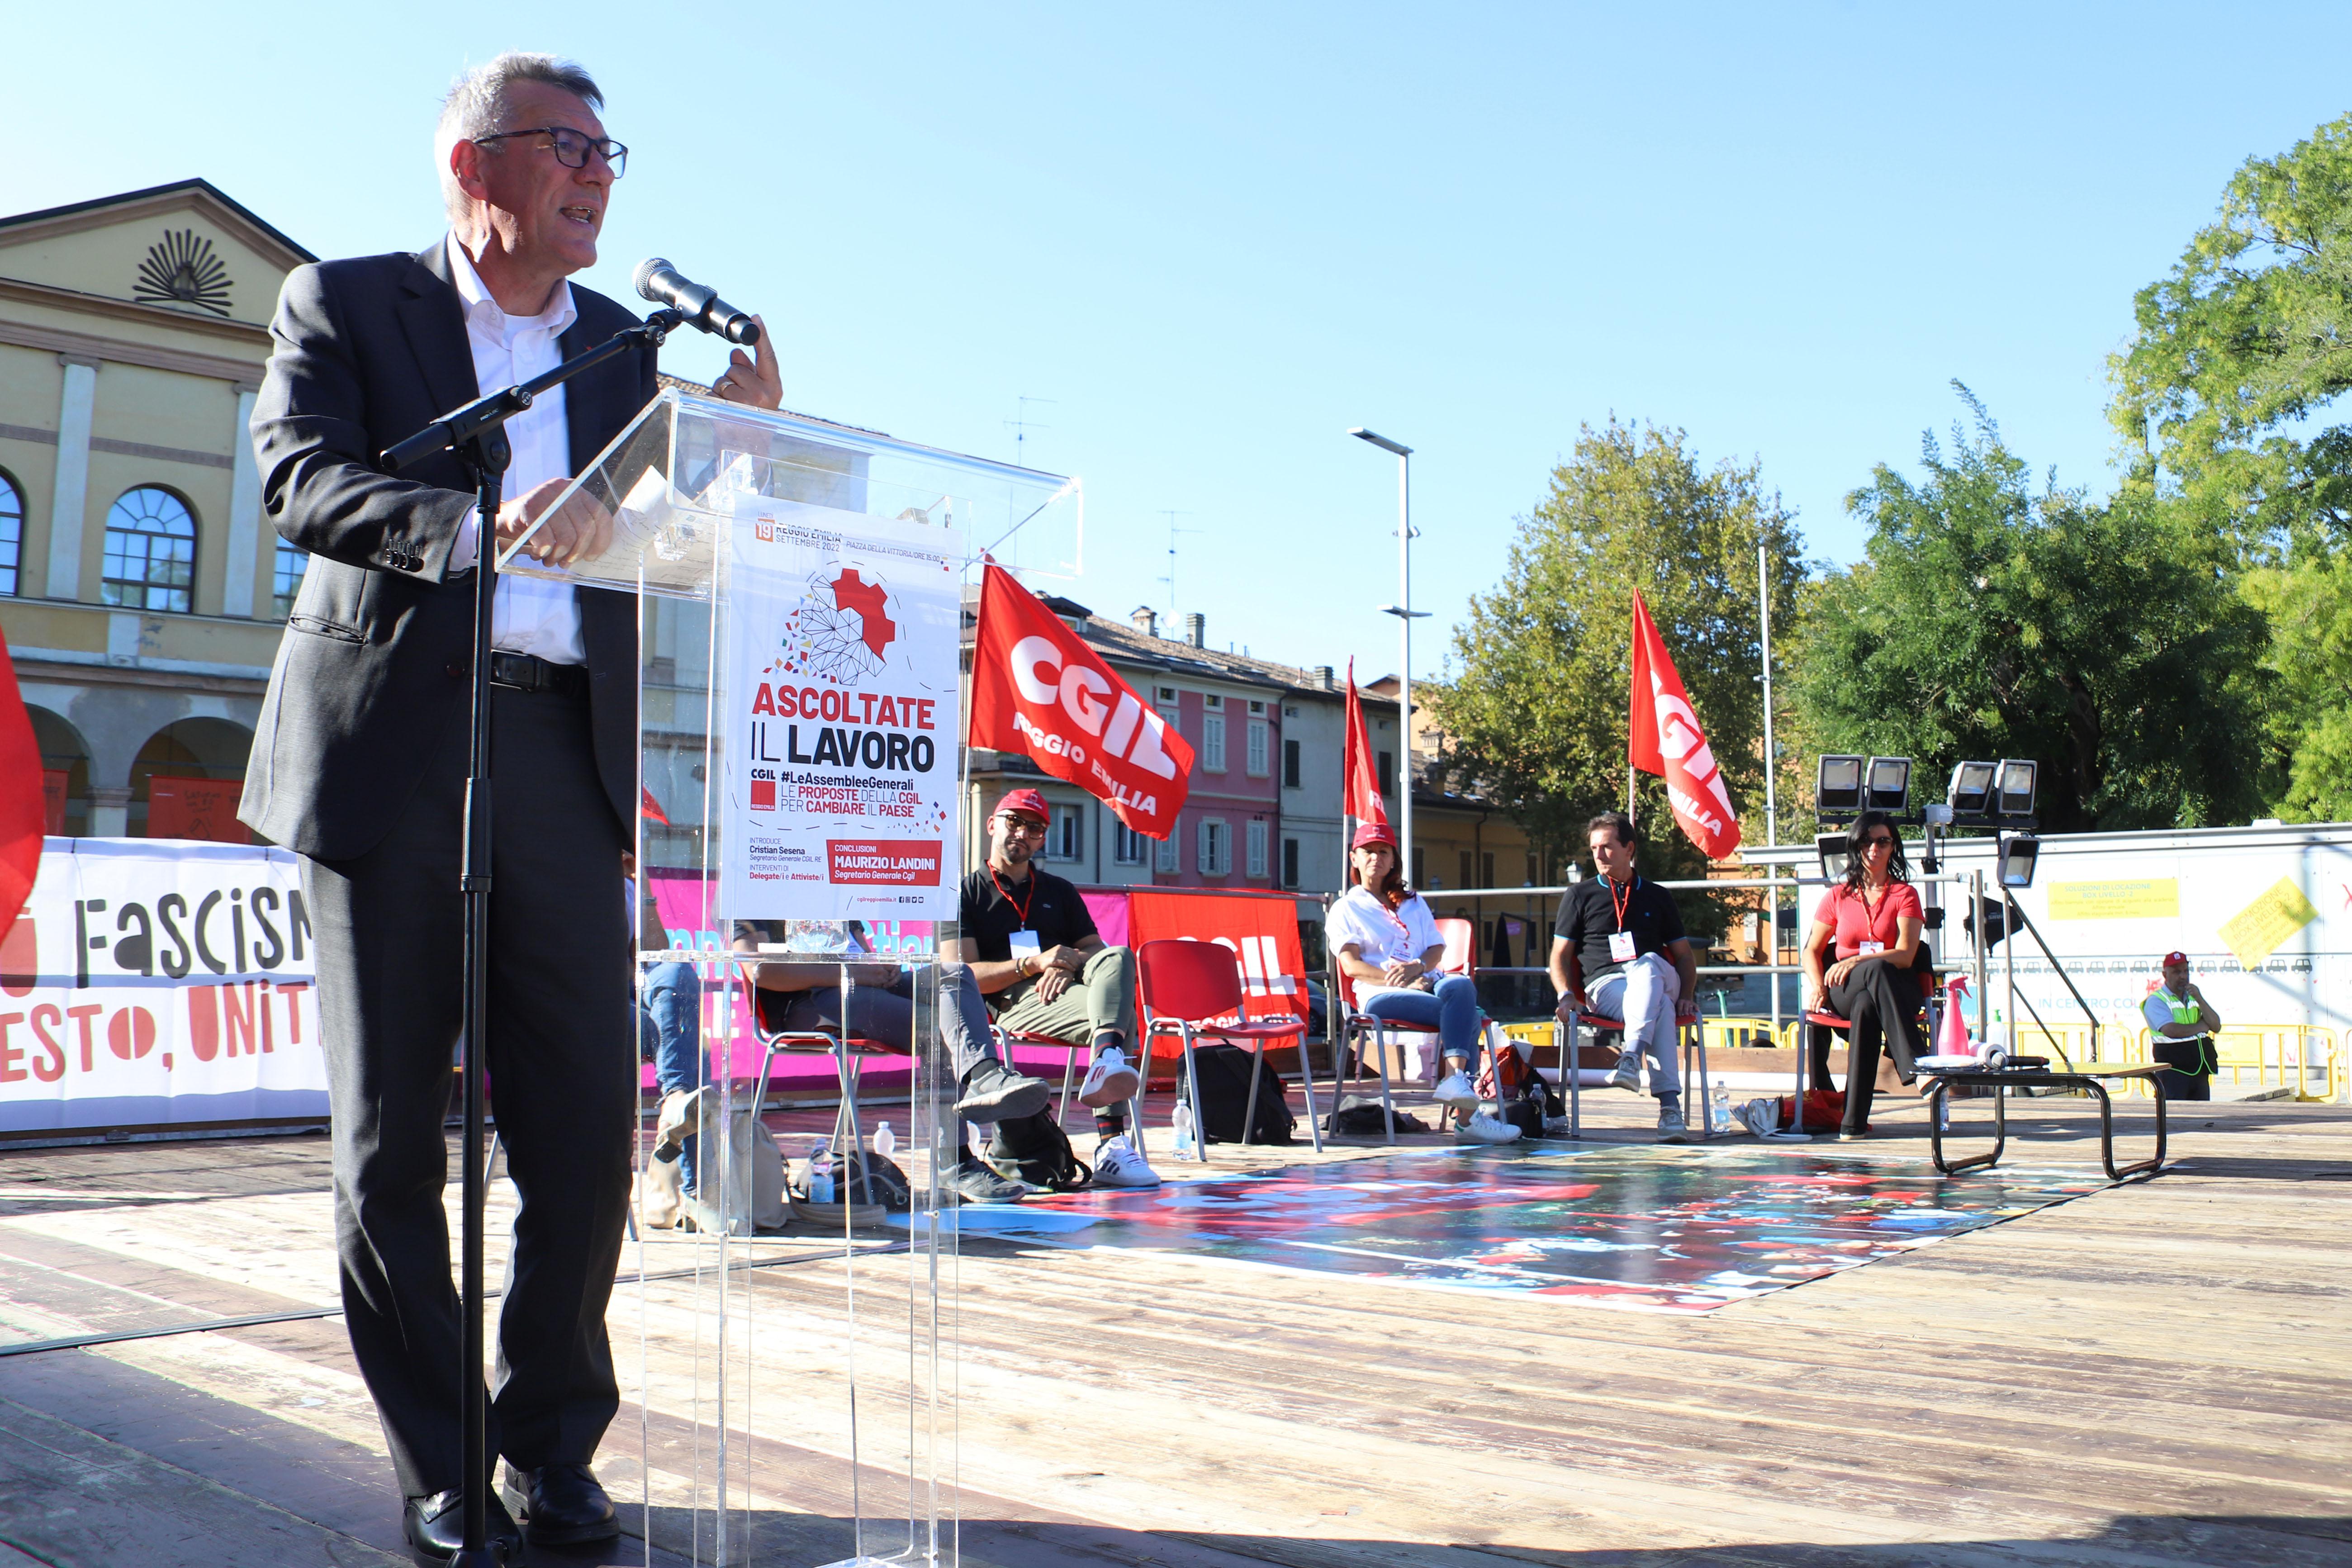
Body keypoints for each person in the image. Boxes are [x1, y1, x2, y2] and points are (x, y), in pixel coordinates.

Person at [236, 54, 783, 1560]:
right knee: (390, 1146)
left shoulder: (617, 348)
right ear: (476, 166)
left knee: (586, 1123)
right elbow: (298, 477)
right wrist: (473, 521)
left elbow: (671, 534)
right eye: (572, 146)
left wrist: (738, 442)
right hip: (389, 740)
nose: (601, 173)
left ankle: (549, 1441)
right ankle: (441, 1452)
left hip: (556, 750)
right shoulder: (344, 300)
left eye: (613, 152)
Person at [726, 918, 1053, 1202]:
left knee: (954, 974)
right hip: (814, 1001)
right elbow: (761, 970)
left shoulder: (826, 881)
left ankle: (985, 1076)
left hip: (862, 984)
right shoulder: (758, 882)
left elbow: (860, 950)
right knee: (937, 1027)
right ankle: (955, 1162)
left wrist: (882, 966)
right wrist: (852, 972)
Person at [943, 789, 1162, 1188]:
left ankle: (1105, 1059)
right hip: (1008, 1002)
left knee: (1118, 959)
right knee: (1119, 1014)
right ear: (992, 825)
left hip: (1062, 991)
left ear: (1042, 839)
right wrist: (1034, 962)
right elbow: (961, 976)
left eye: (1035, 828)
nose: (1022, 833)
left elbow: (1093, 950)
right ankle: (1112, 1142)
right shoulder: (963, 893)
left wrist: (1067, 962)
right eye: (1014, 822)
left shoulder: (1058, 889)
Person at [1330, 822, 1519, 1143]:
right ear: (1355, 858)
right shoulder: (1345, 908)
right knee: (1468, 1015)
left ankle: (1455, 1082)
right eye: (1368, 851)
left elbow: (1436, 948)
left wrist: (1418, 967)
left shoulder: (1413, 901)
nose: (1376, 857)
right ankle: (1465, 1115)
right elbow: (1351, 966)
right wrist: (1401, 981)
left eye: (1383, 851)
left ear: (1393, 860)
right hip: (1380, 993)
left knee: (1460, 986)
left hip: (1427, 981)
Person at [1549, 812, 1698, 1142]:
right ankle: (1670, 1109)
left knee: (1648, 964)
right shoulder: (1579, 895)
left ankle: (1631, 1056)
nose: (1599, 856)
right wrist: (1565, 994)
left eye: (1607, 847)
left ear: (1630, 848)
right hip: (1606, 985)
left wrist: (1687, 992)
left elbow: (1685, 956)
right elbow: (1558, 956)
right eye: (1594, 849)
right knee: (1659, 1005)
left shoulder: (1658, 895)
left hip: (1658, 974)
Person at [1799, 810, 1926, 1140]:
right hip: (1843, 988)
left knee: (1869, 1002)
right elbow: (1811, 950)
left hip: (1894, 987)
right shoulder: (1838, 896)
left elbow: (1906, 954)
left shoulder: (1905, 894)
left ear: (1893, 847)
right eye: (1867, 841)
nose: (1875, 848)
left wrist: (1857, 960)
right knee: (1870, 979)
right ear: (1856, 846)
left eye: (1883, 841)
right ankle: (1915, 1062)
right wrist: (1818, 986)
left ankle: (1852, 1123)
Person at [2143, 950, 2222, 1101]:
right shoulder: (2157, 1000)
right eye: (2177, 972)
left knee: (2200, 1119)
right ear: (2165, 975)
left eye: (2186, 971)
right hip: (2173, 1071)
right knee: (2175, 1118)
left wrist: (2200, 999)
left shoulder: (2194, 997)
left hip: (2199, 1070)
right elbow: (2171, 1030)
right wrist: (2202, 1026)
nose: (2183, 977)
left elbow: (2216, 1026)